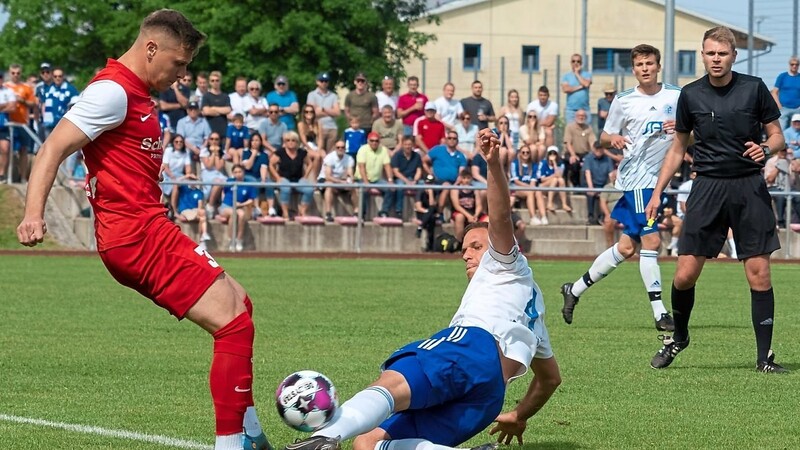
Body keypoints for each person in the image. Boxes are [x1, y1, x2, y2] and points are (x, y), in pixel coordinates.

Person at [15, 9, 272, 450]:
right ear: (151, 48)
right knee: (233, 325)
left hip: (147, 228)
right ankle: (233, 444)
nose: (182, 75)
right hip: (135, 237)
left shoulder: (133, 91)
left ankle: (250, 432)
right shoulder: (111, 93)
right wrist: (32, 214)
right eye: (179, 64)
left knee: (240, 304)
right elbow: (52, 148)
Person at [284, 128, 560, 450]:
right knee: (368, 444)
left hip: (472, 346)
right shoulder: (533, 306)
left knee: (393, 383)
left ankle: (326, 436)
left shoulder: (507, 263)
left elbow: (499, 219)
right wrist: (520, 414)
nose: (466, 253)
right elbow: (549, 378)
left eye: (475, 245)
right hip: (489, 396)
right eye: (464, 249)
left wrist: (493, 164)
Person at [645, 26, 787, 373]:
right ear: (703, 55)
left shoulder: (754, 88)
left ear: (733, 56)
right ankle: (679, 336)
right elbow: (678, 147)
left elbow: (777, 135)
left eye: (722, 54)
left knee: (759, 273)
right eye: (710, 53)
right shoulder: (690, 95)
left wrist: (767, 148)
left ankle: (764, 358)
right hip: (706, 188)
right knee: (685, 275)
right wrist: (658, 190)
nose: (716, 59)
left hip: (748, 188)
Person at [560, 44, 680, 333]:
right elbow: (602, 137)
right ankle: (660, 313)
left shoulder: (676, 96)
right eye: (640, 64)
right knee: (651, 243)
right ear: (634, 69)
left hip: (658, 179)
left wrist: (684, 126)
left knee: (627, 247)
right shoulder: (624, 100)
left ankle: (573, 290)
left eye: (650, 63)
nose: (645, 68)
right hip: (638, 179)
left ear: (658, 66)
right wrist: (611, 138)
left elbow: (691, 130)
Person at [219, 164, 257, 252]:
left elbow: (251, 200)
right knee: (233, 213)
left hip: (239, 206)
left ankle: (239, 239)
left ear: (243, 173)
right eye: (235, 172)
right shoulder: (229, 181)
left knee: (242, 214)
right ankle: (230, 239)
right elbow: (223, 192)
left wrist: (241, 204)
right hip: (226, 206)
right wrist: (223, 201)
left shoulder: (248, 185)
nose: (238, 174)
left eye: (240, 172)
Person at [321, 140, 358, 221]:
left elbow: (350, 173)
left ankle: (356, 213)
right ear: (335, 148)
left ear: (345, 148)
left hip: (341, 180)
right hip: (328, 180)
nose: (340, 149)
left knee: (355, 187)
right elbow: (328, 176)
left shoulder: (349, 158)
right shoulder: (329, 158)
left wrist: (350, 180)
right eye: (338, 147)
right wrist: (341, 182)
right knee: (329, 186)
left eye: (342, 147)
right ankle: (328, 213)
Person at [307, 72, 341, 153]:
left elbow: (337, 113)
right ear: (317, 82)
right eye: (321, 81)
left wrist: (322, 109)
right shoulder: (312, 95)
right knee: (319, 152)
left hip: (332, 128)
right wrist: (330, 112)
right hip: (317, 127)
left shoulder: (333, 96)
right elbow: (311, 113)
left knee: (331, 154)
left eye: (326, 81)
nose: (324, 83)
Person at [563, 109, 595, 187]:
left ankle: (587, 185)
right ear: (575, 117)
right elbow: (568, 143)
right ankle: (575, 184)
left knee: (591, 162)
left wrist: (594, 153)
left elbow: (592, 142)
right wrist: (573, 155)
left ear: (586, 117)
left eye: (583, 116)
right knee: (574, 163)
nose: (581, 117)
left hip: (584, 154)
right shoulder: (570, 127)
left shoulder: (589, 128)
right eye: (579, 116)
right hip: (571, 153)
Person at [561, 53, 592, 125]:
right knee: (571, 133)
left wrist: (577, 74)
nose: (576, 63)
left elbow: (586, 84)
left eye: (578, 61)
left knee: (585, 133)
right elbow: (566, 89)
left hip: (585, 109)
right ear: (570, 63)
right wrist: (581, 86)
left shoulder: (587, 74)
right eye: (573, 61)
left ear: (581, 63)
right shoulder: (566, 76)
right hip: (571, 111)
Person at [771, 56, 800, 130]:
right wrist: (779, 106)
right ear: (789, 65)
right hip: (784, 109)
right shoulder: (782, 76)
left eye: (796, 64)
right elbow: (774, 92)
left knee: (796, 130)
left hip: (797, 109)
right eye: (792, 64)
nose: (794, 66)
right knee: (782, 129)